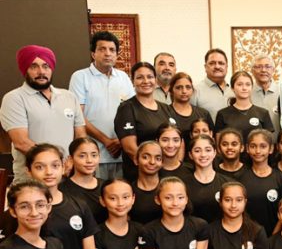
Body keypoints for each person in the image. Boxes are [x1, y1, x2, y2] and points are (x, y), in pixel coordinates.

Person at [1, 44, 86, 182]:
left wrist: (71, 162)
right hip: (31, 182)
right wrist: (55, 166)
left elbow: (80, 136)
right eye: (34, 66)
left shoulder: (69, 97)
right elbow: (21, 142)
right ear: (25, 70)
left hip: (69, 176)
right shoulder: (14, 98)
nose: (41, 71)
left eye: (46, 66)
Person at [70, 31, 136, 180]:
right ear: (93, 54)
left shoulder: (123, 77)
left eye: (112, 50)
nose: (107, 54)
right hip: (93, 156)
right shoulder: (80, 77)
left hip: (122, 152)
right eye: (102, 49)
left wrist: (121, 141)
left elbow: (133, 113)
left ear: (117, 55)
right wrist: (106, 141)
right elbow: (78, 116)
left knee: (120, 199)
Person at [113, 61, 175, 182]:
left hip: (165, 171)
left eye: (150, 77)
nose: (146, 81)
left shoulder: (165, 108)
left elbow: (175, 138)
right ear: (133, 81)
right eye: (140, 77)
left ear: (156, 80)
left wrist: (171, 166)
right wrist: (153, 165)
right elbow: (130, 148)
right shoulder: (127, 108)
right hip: (140, 175)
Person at [236, 129, 282, 236]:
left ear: (271, 149)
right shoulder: (239, 178)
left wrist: (273, 238)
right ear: (247, 148)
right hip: (245, 236)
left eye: (263, 146)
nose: (258, 151)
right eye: (253, 146)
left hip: (275, 237)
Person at [182, 134, 234, 223]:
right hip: (193, 235)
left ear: (214, 153)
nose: (203, 155)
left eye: (208, 150)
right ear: (190, 154)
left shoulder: (228, 183)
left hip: (221, 234)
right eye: (197, 151)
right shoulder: (182, 185)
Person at [215, 71, 274, 141]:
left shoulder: (263, 113)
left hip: (257, 152)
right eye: (240, 84)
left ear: (252, 87)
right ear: (232, 88)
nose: (244, 88)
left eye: (248, 84)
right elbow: (219, 144)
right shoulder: (222, 114)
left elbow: (269, 143)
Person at [61, 137, 107, 224]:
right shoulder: (62, 189)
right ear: (71, 159)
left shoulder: (106, 186)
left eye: (94, 155)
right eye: (82, 156)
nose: (89, 160)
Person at [168, 72, 214, 149]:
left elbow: (212, 141)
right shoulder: (165, 112)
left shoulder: (203, 113)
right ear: (171, 90)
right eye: (179, 87)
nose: (184, 91)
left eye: (188, 87)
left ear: (192, 90)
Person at [190, 48, 233, 123]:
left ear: (226, 67)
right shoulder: (195, 90)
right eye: (212, 63)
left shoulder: (234, 90)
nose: (217, 66)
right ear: (205, 67)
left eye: (221, 63)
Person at [129, 141, 163, 225]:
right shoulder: (128, 191)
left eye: (158, 158)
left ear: (162, 163)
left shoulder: (170, 187)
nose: (152, 162)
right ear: (136, 160)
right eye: (145, 157)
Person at [251, 54, 281, 135]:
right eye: (259, 67)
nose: (263, 70)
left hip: (277, 144)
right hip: (253, 145)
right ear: (252, 71)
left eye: (268, 67)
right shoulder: (247, 93)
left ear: (273, 70)